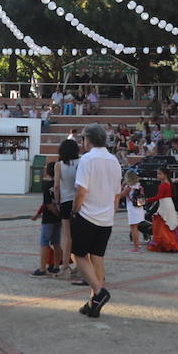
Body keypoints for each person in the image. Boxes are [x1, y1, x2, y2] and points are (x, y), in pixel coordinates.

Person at [71, 124, 121, 318]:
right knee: (97, 258)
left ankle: (99, 292)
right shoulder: (114, 161)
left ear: (88, 139)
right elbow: (117, 194)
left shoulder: (87, 159)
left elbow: (81, 191)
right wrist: (111, 213)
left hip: (87, 215)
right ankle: (93, 302)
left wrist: (75, 210)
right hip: (106, 218)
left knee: (78, 255)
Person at [53, 138, 81, 281]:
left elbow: (56, 186)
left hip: (65, 201)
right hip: (79, 201)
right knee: (79, 234)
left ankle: (65, 267)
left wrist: (57, 201)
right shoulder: (81, 162)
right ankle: (81, 266)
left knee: (66, 236)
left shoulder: (59, 165)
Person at [30, 161, 62, 273]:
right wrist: (60, 216)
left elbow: (47, 204)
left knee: (44, 242)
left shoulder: (47, 186)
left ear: (47, 172)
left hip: (48, 219)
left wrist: (38, 215)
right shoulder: (61, 185)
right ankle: (56, 266)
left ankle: (42, 268)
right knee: (56, 242)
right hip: (59, 219)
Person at [146, 165, 178, 253]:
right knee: (167, 223)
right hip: (169, 204)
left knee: (162, 224)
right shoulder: (169, 183)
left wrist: (147, 200)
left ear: (165, 175)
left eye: (159, 174)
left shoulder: (163, 185)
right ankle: (168, 242)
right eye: (157, 174)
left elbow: (158, 197)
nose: (158, 175)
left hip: (164, 205)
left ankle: (167, 243)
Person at [121, 170, 145, 252]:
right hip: (139, 209)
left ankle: (136, 247)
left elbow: (121, 195)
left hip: (132, 210)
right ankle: (137, 244)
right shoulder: (139, 186)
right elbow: (142, 198)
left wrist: (122, 186)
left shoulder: (128, 187)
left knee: (133, 228)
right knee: (136, 228)